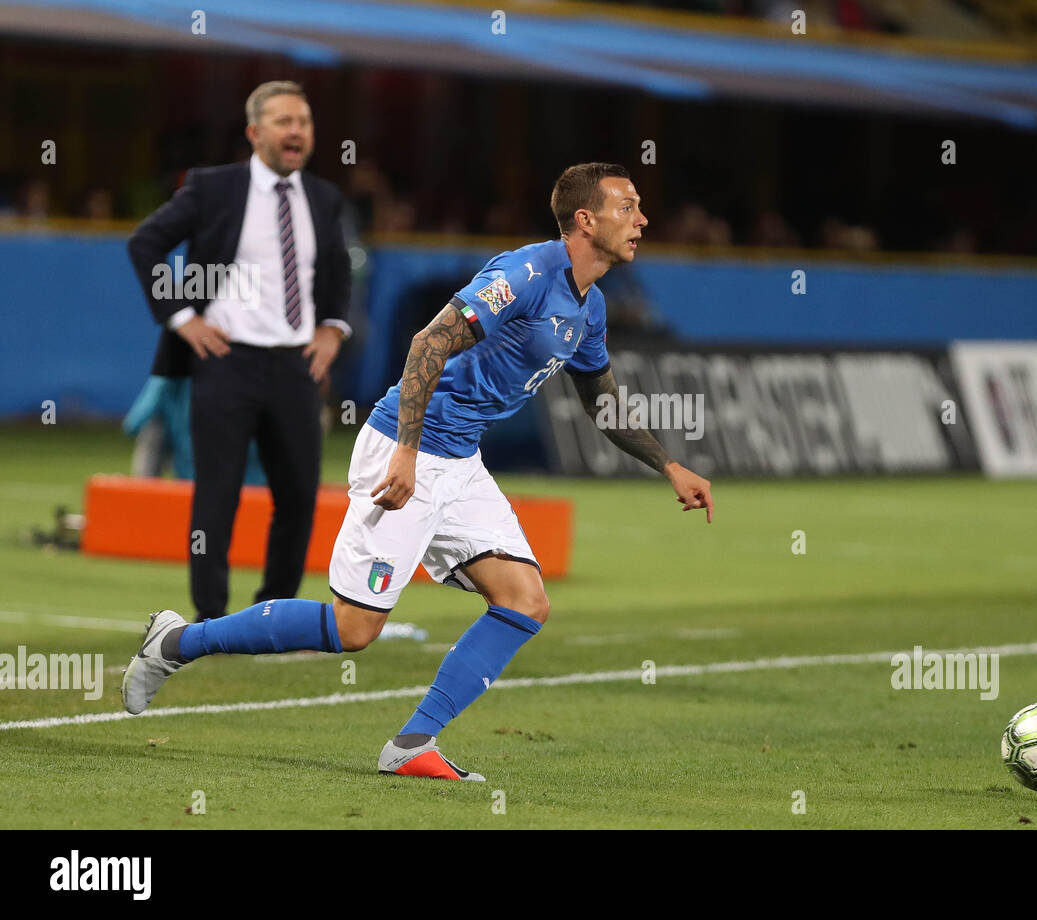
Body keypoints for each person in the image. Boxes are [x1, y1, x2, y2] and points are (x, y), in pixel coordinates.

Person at [122, 163, 714, 781]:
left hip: (459, 462)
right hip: (404, 451)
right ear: (585, 221)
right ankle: (176, 642)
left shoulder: (590, 307)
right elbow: (426, 344)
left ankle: (411, 744)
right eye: (629, 207)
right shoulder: (527, 274)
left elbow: (602, 402)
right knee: (354, 630)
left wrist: (668, 464)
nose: (642, 219)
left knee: (524, 600)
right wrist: (405, 451)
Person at [126, 81, 352, 622]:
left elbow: (338, 271)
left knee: (299, 496)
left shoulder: (324, 197)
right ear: (255, 133)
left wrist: (333, 330)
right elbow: (145, 244)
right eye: (283, 121)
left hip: (296, 365)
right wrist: (184, 318)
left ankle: (271, 612)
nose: (296, 130)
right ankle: (209, 618)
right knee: (217, 495)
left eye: (304, 121)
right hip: (226, 362)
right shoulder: (213, 188)